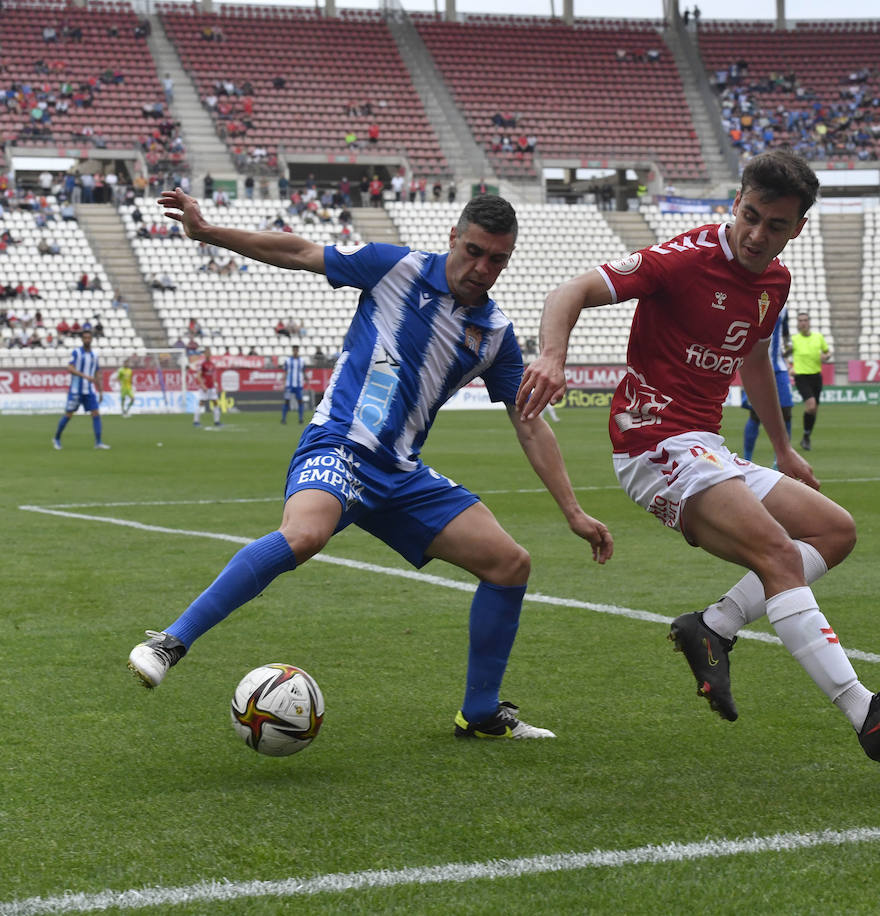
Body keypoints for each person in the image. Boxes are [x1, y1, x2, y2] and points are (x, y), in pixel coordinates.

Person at [128, 190, 613, 743]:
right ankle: (170, 641)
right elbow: (300, 252)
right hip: (339, 445)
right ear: (453, 239)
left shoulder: (495, 336)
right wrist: (208, 231)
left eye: (497, 259)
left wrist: (573, 511)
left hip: (402, 474)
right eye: (474, 251)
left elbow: (529, 423)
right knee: (305, 535)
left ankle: (479, 713)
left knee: (510, 564)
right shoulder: (394, 267)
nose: (482, 268)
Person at [517, 149, 880, 764]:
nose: (757, 234)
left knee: (834, 531)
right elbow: (569, 290)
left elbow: (755, 360)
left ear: (798, 228)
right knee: (778, 557)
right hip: (652, 443)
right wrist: (553, 356)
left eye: (776, 225)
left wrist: (784, 447)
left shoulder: (775, 283)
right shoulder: (684, 258)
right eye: (751, 216)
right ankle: (863, 710)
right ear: (735, 204)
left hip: (705, 448)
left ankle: (713, 626)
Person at [741, 305, 791, 464]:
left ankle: (780, 460)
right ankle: (747, 459)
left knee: (787, 412)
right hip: (757, 366)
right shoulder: (758, 301)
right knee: (755, 415)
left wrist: (788, 349)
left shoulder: (784, 307)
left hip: (779, 367)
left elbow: (785, 334)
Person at [53, 329, 110, 450]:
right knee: (69, 415)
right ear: (82, 339)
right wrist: (85, 376)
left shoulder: (94, 355)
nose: (87, 340)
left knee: (96, 414)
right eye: (85, 338)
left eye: (89, 338)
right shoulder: (77, 353)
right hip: (76, 391)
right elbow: (70, 368)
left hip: (89, 391)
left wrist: (100, 391)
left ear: (92, 339)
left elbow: (97, 373)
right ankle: (56, 438)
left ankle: (98, 442)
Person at [789, 310, 830, 451]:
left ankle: (806, 436)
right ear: (797, 323)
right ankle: (806, 437)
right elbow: (784, 355)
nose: (803, 323)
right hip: (801, 376)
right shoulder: (794, 340)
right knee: (811, 405)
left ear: (809, 322)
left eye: (805, 320)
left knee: (814, 410)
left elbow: (827, 352)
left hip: (816, 376)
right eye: (800, 321)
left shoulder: (818, 337)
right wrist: (789, 367)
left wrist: (826, 356)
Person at [193, 348, 221, 427]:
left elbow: (213, 376)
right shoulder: (202, 364)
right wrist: (202, 385)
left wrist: (216, 386)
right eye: (207, 353)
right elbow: (198, 376)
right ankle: (196, 421)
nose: (208, 354)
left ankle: (217, 421)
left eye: (209, 352)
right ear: (205, 354)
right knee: (201, 403)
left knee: (215, 402)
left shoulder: (212, 364)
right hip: (205, 387)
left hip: (212, 387)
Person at [280, 343, 305, 425]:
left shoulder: (302, 361)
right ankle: (283, 419)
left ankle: (301, 419)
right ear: (292, 350)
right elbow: (285, 372)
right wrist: (283, 383)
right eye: (294, 350)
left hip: (298, 385)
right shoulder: (288, 361)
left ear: (298, 351)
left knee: (300, 401)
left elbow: (303, 372)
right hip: (289, 385)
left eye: (296, 350)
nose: (295, 351)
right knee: (286, 401)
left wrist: (307, 382)